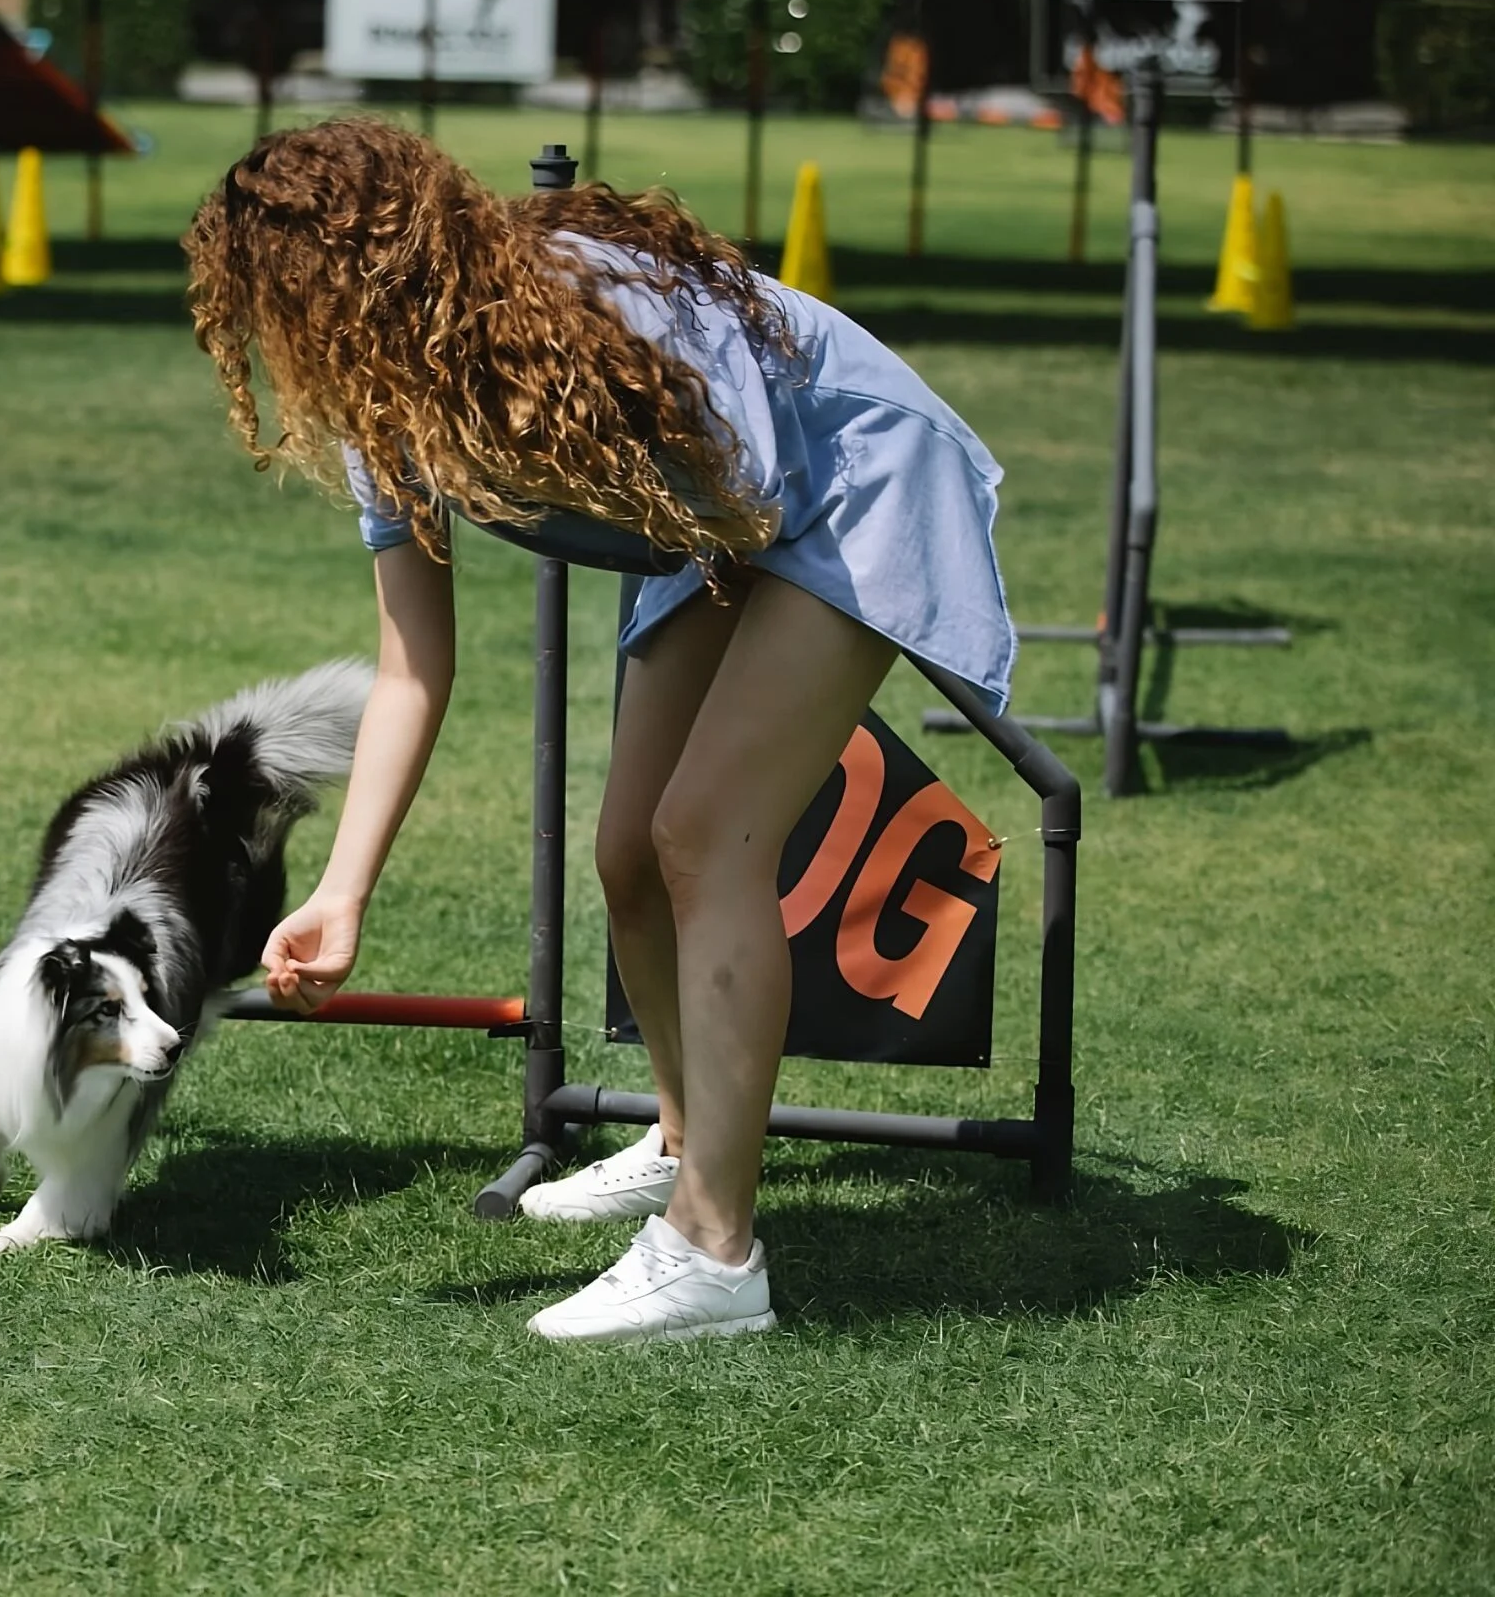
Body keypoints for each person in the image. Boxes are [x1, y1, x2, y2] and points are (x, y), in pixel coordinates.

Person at [182, 118, 1014, 1344]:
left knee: (702, 836)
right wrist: (344, 894)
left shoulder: (595, 303)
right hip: (724, 526)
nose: (274, 340)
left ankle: (713, 1250)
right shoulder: (385, 405)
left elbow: (760, 471)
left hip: (845, 483)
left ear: (348, 275)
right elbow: (414, 666)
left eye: (280, 301)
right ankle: (683, 1141)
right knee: (630, 849)